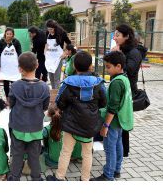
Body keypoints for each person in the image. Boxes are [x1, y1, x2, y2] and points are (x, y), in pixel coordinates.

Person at [47, 51, 106, 181]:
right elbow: (104, 102)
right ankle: (85, 179)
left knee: (66, 151)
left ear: (74, 65)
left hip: (70, 124)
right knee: (87, 153)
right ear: (91, 66)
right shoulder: (98, 83)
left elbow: (59, 103)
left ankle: (59, 177)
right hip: (90, 125)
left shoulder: (68, 83)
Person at [91, 51, 133, 181]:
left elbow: (112, 108)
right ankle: (116, 170)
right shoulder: (125, 78)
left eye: (109, 67)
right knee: (118, 145)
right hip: (121, 121)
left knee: (110, 148)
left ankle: (108, 175)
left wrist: (105, 126)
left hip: (113, 122)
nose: (107, 69)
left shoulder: (116, 83)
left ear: (119, 66)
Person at [7, 52, 50, 181]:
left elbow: (11, 104)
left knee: (17, 154)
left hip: (18, 126)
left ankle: (14, 177)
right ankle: (36, 178)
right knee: (34, 155)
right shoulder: (44, 87)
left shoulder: (15, 86)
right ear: (37, 65)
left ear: (20, 68)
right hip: (35, 127)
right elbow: (45, 107)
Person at [112, 24, 143, 157]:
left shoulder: (134, 52)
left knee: (122, 120)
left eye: (118, 35)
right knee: (118, 120)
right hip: (119, 87)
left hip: (127, 90)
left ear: (127, 36)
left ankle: (123, 151)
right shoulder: (122, 49)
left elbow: (130, 70)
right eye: (115, 35)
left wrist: (118, 54)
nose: (115, 37)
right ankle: (121, 150)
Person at [0, 27, 22, 103]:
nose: (9, 35)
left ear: (13, 34)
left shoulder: (16, 42)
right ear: (5, 34)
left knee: (14, 83)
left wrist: (20, 65)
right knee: (6, 83)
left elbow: (20, 54)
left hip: (14, 66)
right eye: (7, 34)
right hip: (4, 66)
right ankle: (7, 100)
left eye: (10, 34)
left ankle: (15, 99)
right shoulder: (1, 42)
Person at [44, 19, 71, 89]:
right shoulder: (47, 33)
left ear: (55, 27)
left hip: (58, 57)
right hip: (49, 58)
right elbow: (46, 44)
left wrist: (65, 53)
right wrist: (45, 50)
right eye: (48, 29)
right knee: (51, 77)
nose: (50, 31)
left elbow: (69, 43)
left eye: (51, 29)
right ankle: (53, 91)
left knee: (56, 77)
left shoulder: (62, 33)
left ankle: (57, 94)